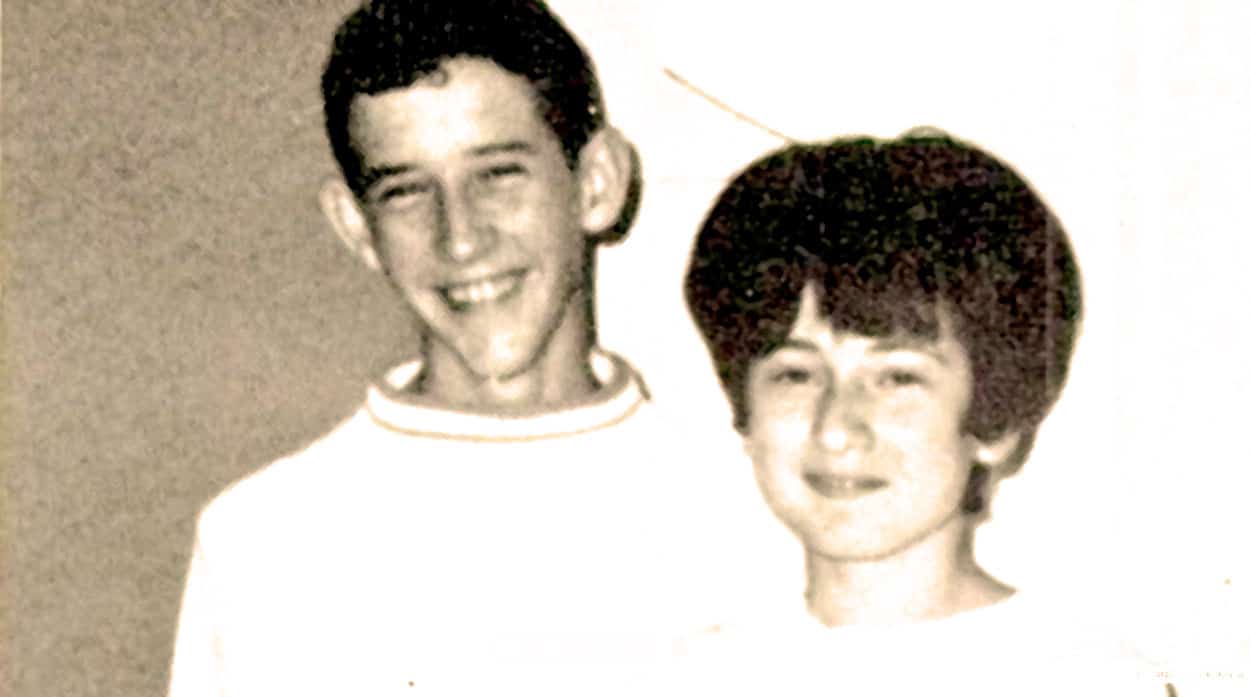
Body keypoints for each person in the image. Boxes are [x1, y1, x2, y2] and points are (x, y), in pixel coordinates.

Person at [167, 2, 791, 695]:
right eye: (406, 191)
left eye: (498, 175)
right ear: (355, 225)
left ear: (597, 183)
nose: (460, 237)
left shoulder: (758, 510)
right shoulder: (268, 541)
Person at [676, 131, 1172, 695]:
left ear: (997, 421)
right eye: (797, 374)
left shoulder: (1082, 680)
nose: (837, 429)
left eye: (897, 378)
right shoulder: (704, 674)